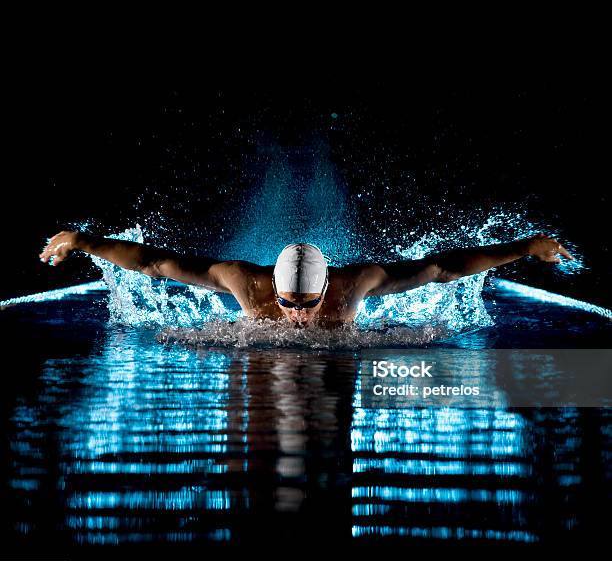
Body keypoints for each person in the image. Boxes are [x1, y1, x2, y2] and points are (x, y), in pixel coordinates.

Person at [39, 231, 573, 328]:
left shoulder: (354, 287)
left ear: (326, 289)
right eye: (288, 303)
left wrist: (525, 248)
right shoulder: (245, 285)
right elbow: (157, 263)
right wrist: (84, 242)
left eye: (305, 304)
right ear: (271, 285)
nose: (295, 316)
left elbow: (440, 269)